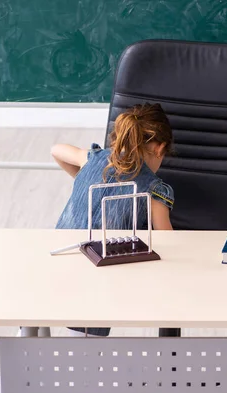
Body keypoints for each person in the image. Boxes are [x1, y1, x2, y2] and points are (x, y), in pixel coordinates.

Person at [51, 102, 175, 337]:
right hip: (97, 280)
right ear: (159, 149)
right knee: (83, 347)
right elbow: (170, 242)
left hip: (58, 260)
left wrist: (81, 178)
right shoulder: (154, 190)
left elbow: (56, 150)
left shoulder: (94, 158)